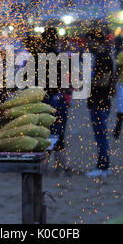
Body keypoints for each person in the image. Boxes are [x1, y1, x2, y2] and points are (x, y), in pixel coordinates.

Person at [41, 27, 71, 170]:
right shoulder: (61, 57)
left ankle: (44, 163)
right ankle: (60, 164)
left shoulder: (37, 58)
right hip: (58, 99)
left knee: (44, 131)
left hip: (43, 99)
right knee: (58, 131)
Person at [85, 29, 114, 177]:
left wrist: (87, 83)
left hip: (100, 101)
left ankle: (103, 166)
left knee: (101, 136)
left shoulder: (104, 57)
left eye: (90, 41)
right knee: (99, 136)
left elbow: (105, 80)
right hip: (97, 101)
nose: (88, 44)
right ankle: (103, 165)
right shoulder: (98, 56)